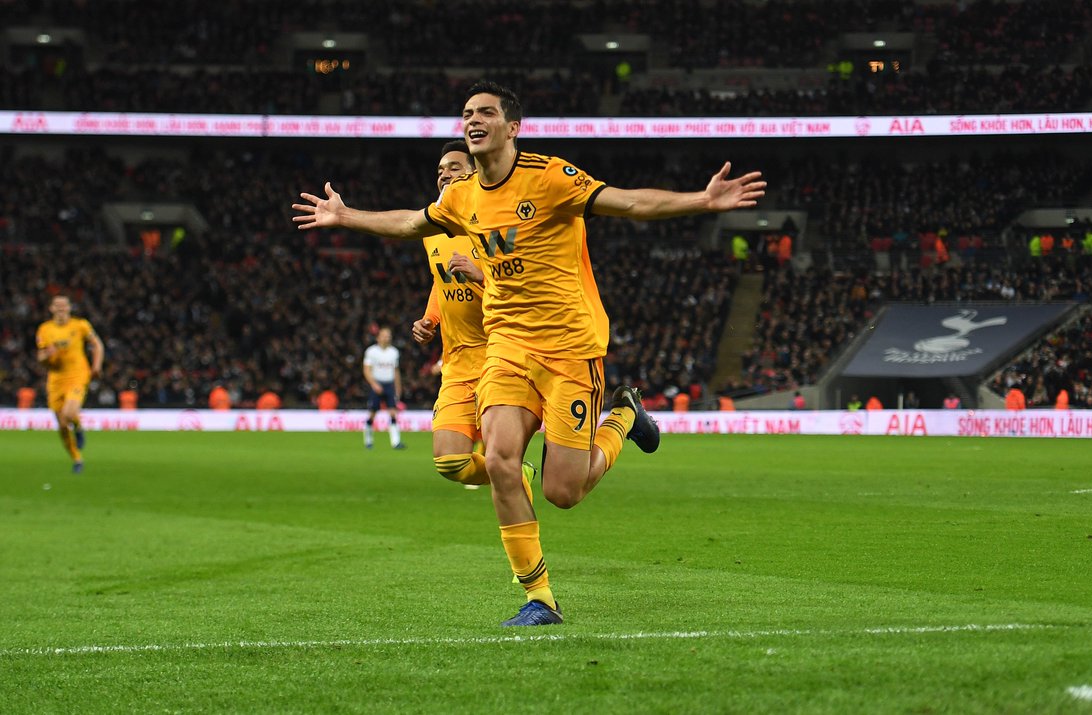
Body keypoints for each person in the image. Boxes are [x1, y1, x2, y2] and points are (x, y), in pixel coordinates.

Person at [294, 80, 765, 627]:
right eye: (467, 113)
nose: (473, 120)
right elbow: (408, 222)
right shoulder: (461, 196)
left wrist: (703, 201)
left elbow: (630, 202)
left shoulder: (549, 177)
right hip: (508, 348)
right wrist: (347, 216)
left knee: (563, 492)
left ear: (512, 127)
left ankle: (625, 417)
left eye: (486, 112)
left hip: (569, 349)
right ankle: (539, 599)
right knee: (497, 460)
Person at [410, 140, 536, 493]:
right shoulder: (432, 229)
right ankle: (518, 473)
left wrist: (482, 274)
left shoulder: (499, 223)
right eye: (439, 170)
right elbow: (441, 280)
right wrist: (430, 319)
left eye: (453, 167)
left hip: (502, 356)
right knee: (449, 462)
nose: (444, 175)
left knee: (499, 455)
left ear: (475, 171)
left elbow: (524, 288)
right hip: (457, 363)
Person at [35, 294, 104, 473]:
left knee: (69, 412)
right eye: (56, 305)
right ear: (51, 308)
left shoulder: (80, 325)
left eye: (63, 305)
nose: (60, 308)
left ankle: (79, 427)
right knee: (62, 424)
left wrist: (96, 366)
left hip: (77, 375)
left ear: (69, 307)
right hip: (56, 380)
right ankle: (77, 459)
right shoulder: (44, 330)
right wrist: (47, 356)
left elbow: (97, 344)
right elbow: (41, 359)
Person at [363, 327, 405, 450]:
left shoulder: (394, 352)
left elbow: (396, 371)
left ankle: (395, 442)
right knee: (372, 413)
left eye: (389, 335)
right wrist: (374, 384)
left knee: (393, 413)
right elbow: (366, 370)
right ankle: (368, 441)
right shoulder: (371, 351)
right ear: (378, 337)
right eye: (385, 335)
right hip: (376, 384)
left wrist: (398, 388)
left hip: (389, 385)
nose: (387, 337)